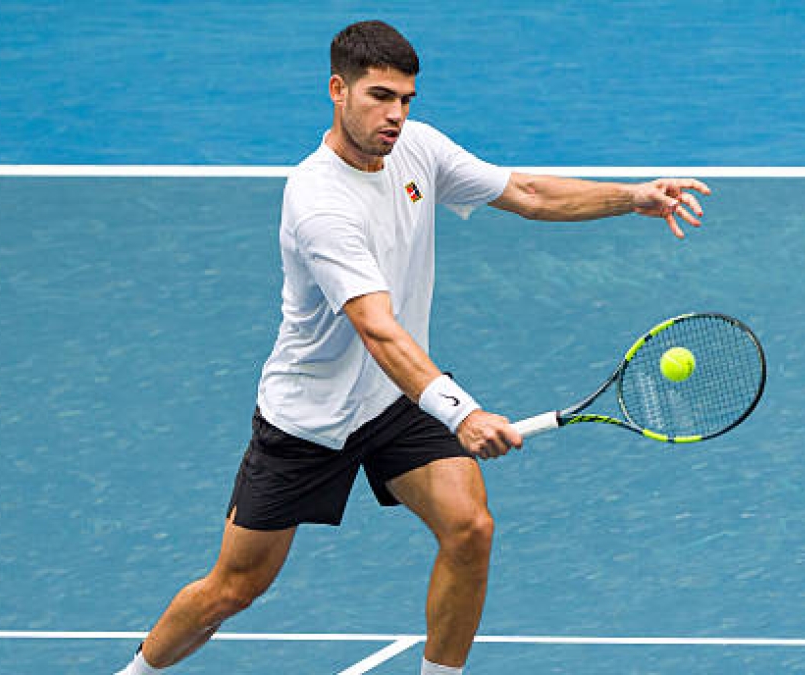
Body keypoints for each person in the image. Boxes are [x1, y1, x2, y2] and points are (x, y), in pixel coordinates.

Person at [115, 19, 708, 675]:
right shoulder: (319, 201)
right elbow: (378, 328)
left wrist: (632, 197)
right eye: (379, 97)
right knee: (233, 588)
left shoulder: (417, 150)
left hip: (397, 398)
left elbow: (528, 193)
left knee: (470, 527)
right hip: (309, 419)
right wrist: (463, 412)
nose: (395, 114)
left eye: (405, 99)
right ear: (337, 91)